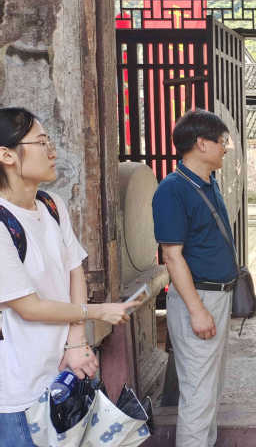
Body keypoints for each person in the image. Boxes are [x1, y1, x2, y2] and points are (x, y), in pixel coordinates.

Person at [0, 107, 139, 447]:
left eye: (50, 141)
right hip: (19, 391)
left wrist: (76, 343)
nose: (52, 151)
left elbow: (75, 270)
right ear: (7, 155)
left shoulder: (51, 205)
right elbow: (29, 307)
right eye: (41, 142)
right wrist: (96, 312)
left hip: (61, 374)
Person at [152, 109, 236, 447]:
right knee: (199, 394)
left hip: (216, 296)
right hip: (198, 298)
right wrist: (197, 310)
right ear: (202, 143)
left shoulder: (207, 182)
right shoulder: (173, 190)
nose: (225, 147)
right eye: (222, 141)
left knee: (210, 390)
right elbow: (172, 256)